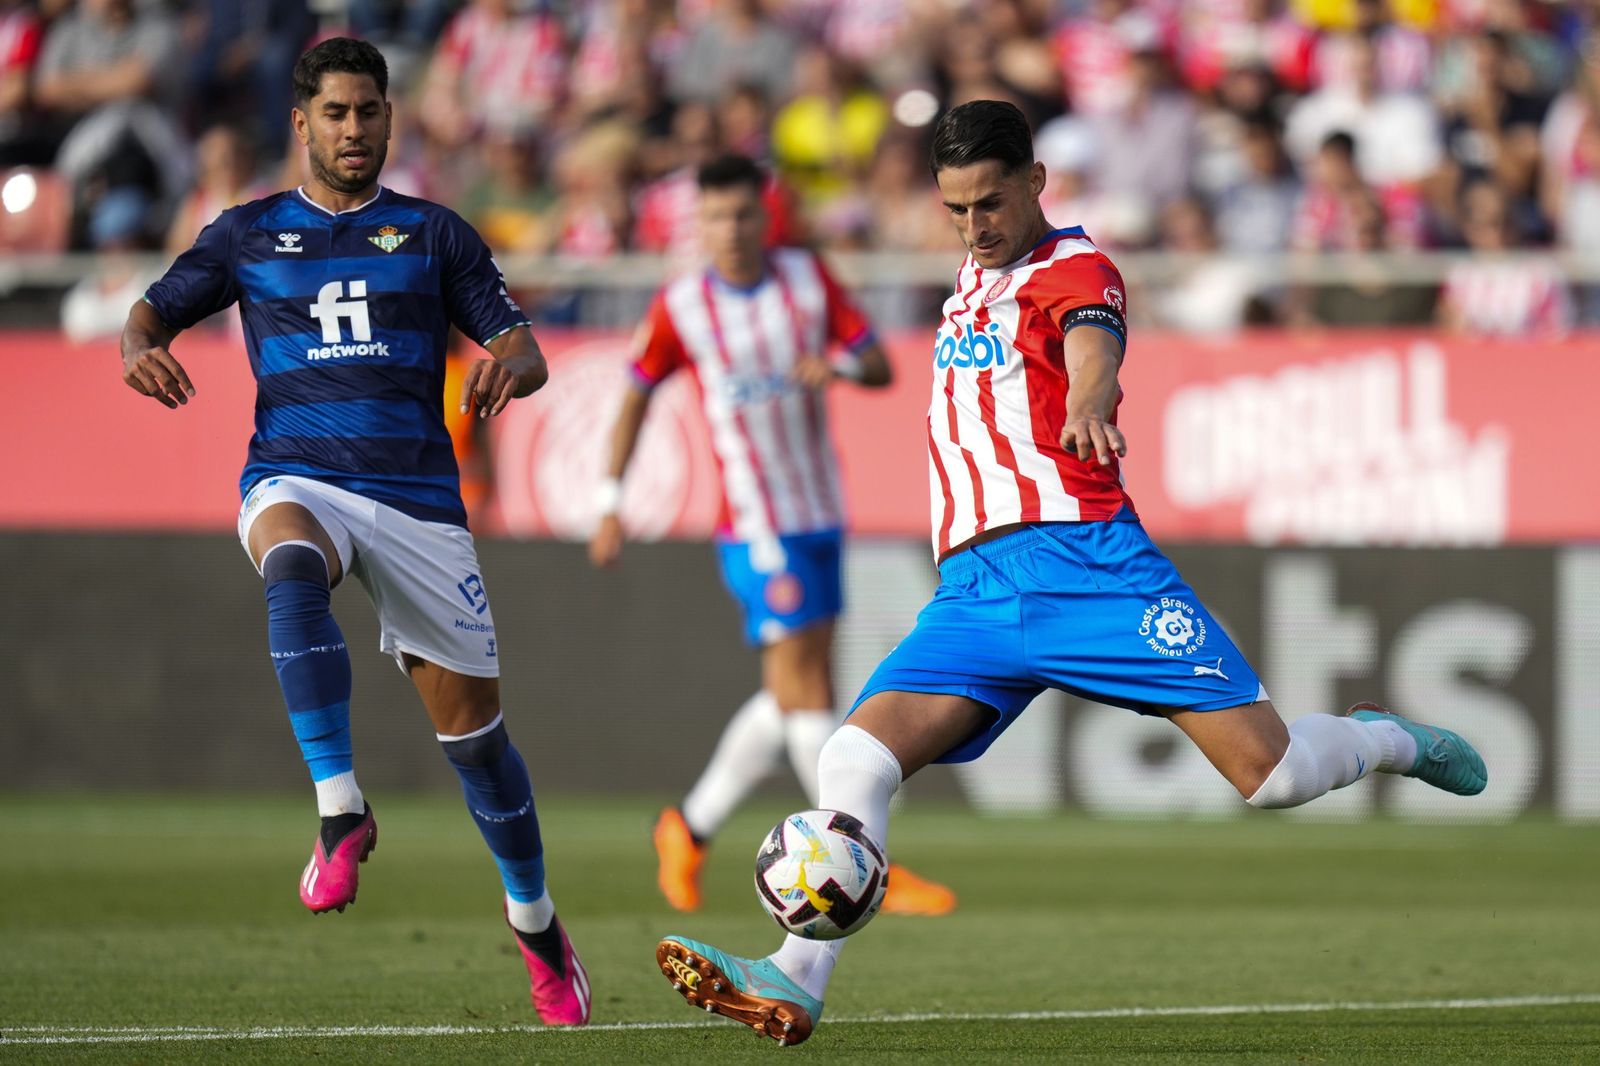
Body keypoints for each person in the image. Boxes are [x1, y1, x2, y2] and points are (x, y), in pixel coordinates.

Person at [652, 100, 1487, 1047]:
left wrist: (1092, 402)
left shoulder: (1076, 268)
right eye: (958, 208)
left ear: (1037, 182)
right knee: (853, 757)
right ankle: (797, 978)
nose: (977, 224)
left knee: (1277, 775)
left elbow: (1095, 350)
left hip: (1086, 563)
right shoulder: (968, 282)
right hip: (974, 590)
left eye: (993, 201)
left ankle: (1386, 741)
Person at [118, 37, 589, 1026]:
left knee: (479, 749)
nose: (353, 130)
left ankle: (538, 927)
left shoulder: (432, 233)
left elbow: (520, 345)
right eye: (335, 113)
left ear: (388, 118)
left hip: (417, 498)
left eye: (369, 112)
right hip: (298, 473)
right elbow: (152, 310)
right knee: (289, 566)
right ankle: (341, 805)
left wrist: (523, 363)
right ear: (301, 122)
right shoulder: (247, 233)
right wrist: (138, 344)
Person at [589, 153, 957, 919]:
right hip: (757, 525)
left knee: (790, 691)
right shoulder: (681, 304)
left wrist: (841, 369)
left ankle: (687, 830)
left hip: (821, 509)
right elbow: (633, 398)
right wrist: (610, 499)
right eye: (715, 216)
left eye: (743, 214)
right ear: (701, 223)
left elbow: (879, 363)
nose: (730, 229)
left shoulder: (805, 279)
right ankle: (864, 859)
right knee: (810, 688)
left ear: (767, 215)